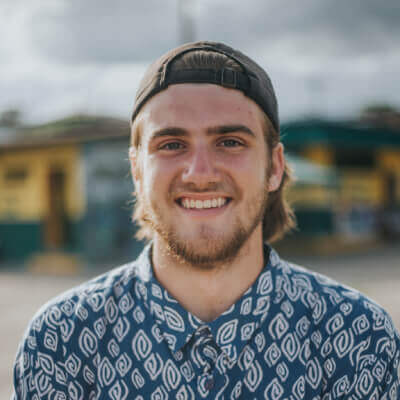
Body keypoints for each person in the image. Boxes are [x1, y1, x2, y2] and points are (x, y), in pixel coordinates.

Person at [12, 41, 400, 399]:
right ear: (137, 171)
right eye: (171, 144)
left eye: (230, 142)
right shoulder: (62, 341)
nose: (200, 173)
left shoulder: (359, 338)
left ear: (274, 167)